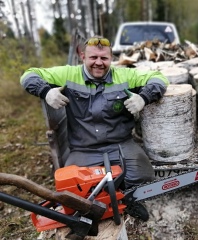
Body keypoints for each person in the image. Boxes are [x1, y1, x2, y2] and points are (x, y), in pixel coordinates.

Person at [20, 36, 169, 221]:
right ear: (83, 56)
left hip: (120, 143)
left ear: (111, 58)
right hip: (83, 147)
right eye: (93, 58)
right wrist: (46, 92)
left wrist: (143, 97)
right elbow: (28, 75)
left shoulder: (124, 76)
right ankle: (96, 204)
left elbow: (160, 78)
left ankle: (130, 200)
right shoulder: (68, 74)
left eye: (104, 58)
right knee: (70, 188)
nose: (99, 63)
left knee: (143, 175)